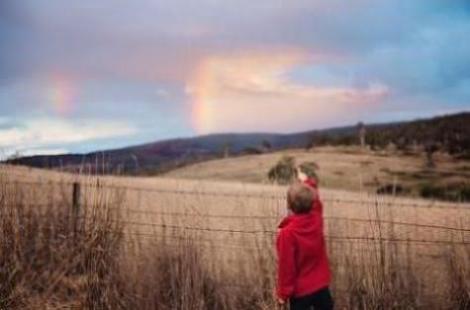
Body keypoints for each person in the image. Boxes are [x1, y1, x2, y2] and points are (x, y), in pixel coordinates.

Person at [275, 168, 333, 310]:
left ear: (289, 205)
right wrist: (306, 180)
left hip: (301, 293)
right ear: (311, 202)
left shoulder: (287, 234)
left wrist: (283, 294)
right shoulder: (316, 219)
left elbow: (286, 268)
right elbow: (317, 201)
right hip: (322, 286)